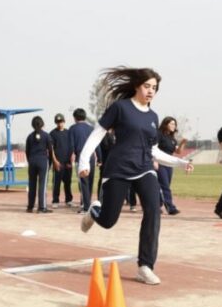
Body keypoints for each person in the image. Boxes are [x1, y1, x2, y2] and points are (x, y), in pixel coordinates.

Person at [78, 67, 193, 285]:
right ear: (137, 86)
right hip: (118, 169)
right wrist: (84, 161)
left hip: (144, 168)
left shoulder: (153, 116)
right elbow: (98, 134)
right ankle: (95, 211)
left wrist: (180, 162)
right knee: (109, 220)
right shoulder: (120, 108)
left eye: (155, 88)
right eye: (147, 86)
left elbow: (153, 150)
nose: (151, 91)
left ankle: (145, 266)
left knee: (153, 210)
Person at [156, 117, 186, 215]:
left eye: (175, 124)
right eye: (172, 124)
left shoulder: (172, 138)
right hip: (160, 163)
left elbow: (178, 151)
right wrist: (154, 161)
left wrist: (182, 143)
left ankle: (156, 205)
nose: (174, 126)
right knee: (164, 186)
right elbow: (153, 148)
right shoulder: (159, 134)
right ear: (166, 124)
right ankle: (170, 208)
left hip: (169, 164)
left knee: (165, 185)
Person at [68, 108, 96, 214]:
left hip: (81, 157)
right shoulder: (91, 128)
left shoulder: (72, 129)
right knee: (90, 181)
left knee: (83, 182)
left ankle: (85, 206)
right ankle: (86, 203)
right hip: (91, 157)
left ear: (75, 118)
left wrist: (71, 155)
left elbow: (71, 145)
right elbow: (95, 144)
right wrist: (99, 157)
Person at [25, 116, 54, 213]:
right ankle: (42, 207)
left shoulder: (29, 136)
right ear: (43, 124)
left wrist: (30, 161)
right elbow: (50, 151)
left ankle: (30, 207)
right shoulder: (46, 135)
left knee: (32, 184)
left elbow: (27, 152)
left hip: (32, 161)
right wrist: (49, 163)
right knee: (42, 185)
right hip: (42, 161)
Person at [49, 114, 74, 208]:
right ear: (56, 122)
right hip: (58, 162)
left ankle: (69, 200)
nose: (60, 124)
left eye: (61, 122)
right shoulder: (52, 133)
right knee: (56, 182)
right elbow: (51, 149)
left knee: (68, 182)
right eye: (58, 122)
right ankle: (55, 200)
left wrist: (71, 160)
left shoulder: (69, 133)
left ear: (64, 121)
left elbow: (72, 147)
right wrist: (55, 161)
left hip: (67, 162)